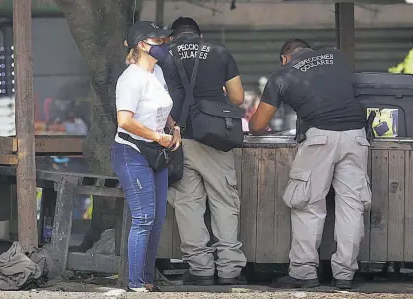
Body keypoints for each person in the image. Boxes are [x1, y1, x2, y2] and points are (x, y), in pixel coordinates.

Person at [249, 39, 371, 290]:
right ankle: (344, 275)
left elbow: (258, 125)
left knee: (307, 204)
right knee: (352, 207)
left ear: (284, 58)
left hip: (320, 139)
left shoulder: (282, 74)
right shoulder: (336, 56)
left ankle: (304, 273)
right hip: (356, 136)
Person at [158, 17, 247, 286]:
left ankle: (200, 270)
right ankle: (230, 269)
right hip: (214, 137)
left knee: (187, 205)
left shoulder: (164, 55)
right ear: (199, 34)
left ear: (172, 36)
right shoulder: (219, 52)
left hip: (177, 138)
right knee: (223, 200)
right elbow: (238, 98)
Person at [111, 21, 181, 292]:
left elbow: (164, 107)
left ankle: (148, 279)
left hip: (156, 151)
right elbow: (125, 120)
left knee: (158, 217)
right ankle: (136, 283)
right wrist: (156, 136)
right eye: (159, 40)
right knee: (143, 218)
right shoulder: (130, 78)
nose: (164, 45)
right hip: (132, 152)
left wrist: (174, 128)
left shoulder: (158, 72)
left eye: (164, 40)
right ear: (142, 45)